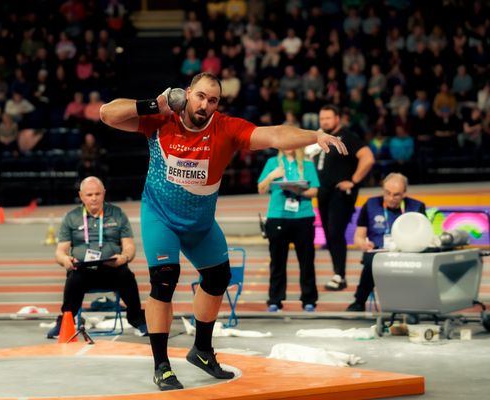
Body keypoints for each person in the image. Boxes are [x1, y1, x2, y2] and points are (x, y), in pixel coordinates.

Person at [99, 72, 347, 391]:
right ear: (187, 94)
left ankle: (201, 350)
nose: (205, 104)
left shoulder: (227, 129)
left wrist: (315, 135)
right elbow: (107, 113)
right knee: (164, 278)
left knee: (218, 278)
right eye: (200, 96)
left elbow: (275, 135)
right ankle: (161, 365)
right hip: (160, 216)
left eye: (213, 100)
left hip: (200, 223)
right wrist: (153, 104)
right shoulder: (160, 119)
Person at [47, 176, 147, 339]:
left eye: (97, 194)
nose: (94, 198)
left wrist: (124, 257)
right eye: (89, 194)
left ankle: (137, 320)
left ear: (104, 194)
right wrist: (65, 260)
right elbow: (60, 251)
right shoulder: (71, 217)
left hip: (112, 269)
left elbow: (129, 246)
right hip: (83, 271)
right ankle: (65, 321)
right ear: (81, 196)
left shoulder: (117, 213)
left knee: (127, 275)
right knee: (73, 278)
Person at [313, 105, 375, 291]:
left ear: (338, 118)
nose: (324, 122)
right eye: (322, 118)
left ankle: (340, 275)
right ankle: (337, 274)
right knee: (330, 234)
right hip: (323, 193)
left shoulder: (347, 137)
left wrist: (353, 181)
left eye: (328, 118)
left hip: (340, 194)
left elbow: (368, 157)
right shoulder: (321, 138)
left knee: (335, 232)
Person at [346, 173, 426, 311]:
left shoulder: (416, 207)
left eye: (396, 195)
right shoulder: (370, 204)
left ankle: (415, 302)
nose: (391, 198)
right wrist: (363, 244)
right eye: (387, 193)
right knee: (371, 261)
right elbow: (358, 237)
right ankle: (359, 301)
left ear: (404, 194)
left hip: (406, 252)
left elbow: (424, 237)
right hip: (378, 252)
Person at [257, 147, 320, 313]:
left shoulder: (307, 163)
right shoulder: (272, 163)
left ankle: (309, 300)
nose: (288, 145)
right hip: (277, 216)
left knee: (306, 261)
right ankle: (275, 300)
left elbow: (315, 190)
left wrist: (299, 190)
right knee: (277, 261)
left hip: (303, 216)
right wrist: (272, 175)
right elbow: (261, 188)